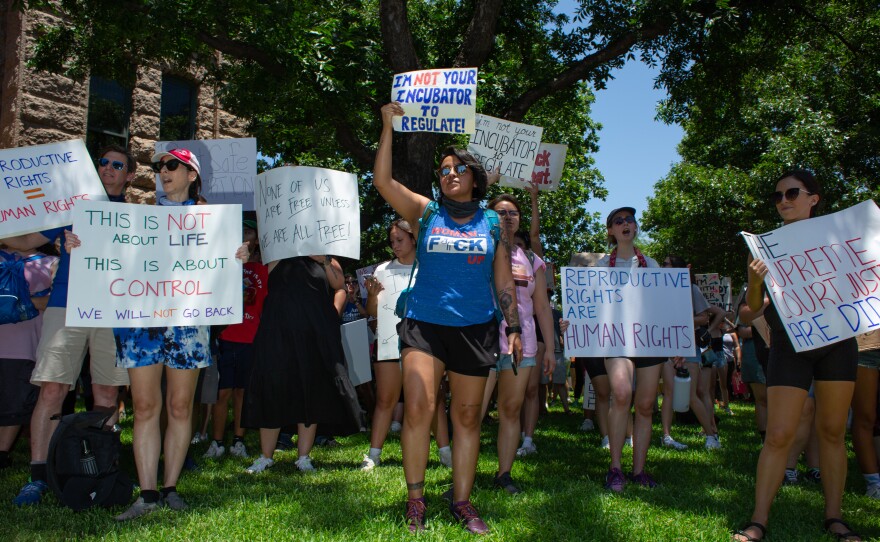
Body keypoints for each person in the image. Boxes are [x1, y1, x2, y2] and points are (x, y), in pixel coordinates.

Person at [70, 148, 248, 520]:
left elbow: (218, 271)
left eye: (172, 166)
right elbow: (109, 255)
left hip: (188, 322)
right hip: (140, 322)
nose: (163, 172)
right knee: (146, 406)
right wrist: (81, 244)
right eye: (158, 167)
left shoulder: (211, 223)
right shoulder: (137, 218)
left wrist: (238, 255)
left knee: (181, 406)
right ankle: (147, 493)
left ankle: (171, 488)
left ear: (191, 175)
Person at [374, 102, 522, 534]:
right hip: (424, 323)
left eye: (459, 167)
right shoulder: (426, 212)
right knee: (419, 406)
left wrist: (512, 327)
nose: (450, 173)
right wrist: (388, 128)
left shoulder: (493, 222)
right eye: (443, 169)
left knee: (469, 417)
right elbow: (382, 180)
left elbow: (503, 282)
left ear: (474, 177)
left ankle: (462, 501)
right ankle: (416, 500)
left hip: (476, 328)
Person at [733, 170, 861, 542]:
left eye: (792, 193)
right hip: (790, 347)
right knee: (778, 435)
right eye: (777, 197)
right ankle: (758, 521)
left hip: (838, 344)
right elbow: (748, 313)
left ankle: (835, 518)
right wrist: (755, 283)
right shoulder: (765, 246)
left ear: (813, 198)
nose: (784, 201)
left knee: (834, 433)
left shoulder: (841, 240)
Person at [4, 145, 133, 506]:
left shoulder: (137, 216)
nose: (107, 168)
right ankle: (38, 476)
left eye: (116, 165)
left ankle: (103, 467)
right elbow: (27, 240)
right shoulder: (72, 208)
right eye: (102, 163)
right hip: (66, 305)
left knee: (108, 395)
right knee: (52, 390)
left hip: (111, 311)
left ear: (128, 176)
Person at [360, 219, 452, 471]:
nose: (395, 246)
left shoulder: (429, 270)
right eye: (392, 242)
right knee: (385, 399)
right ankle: (373, 455)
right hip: (389, 343)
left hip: (425, 346)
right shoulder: (381, 271)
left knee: (432, 398)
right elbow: (372, 313)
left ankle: (446, 454)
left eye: (400, 240)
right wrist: (371, 295)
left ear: (414, 239)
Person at [479, 195, 555, 495]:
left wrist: (550, 347)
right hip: (482, 341)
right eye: (500, 212)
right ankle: (463, 477)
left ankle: (504, 474)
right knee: (473, 411)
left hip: (522, 345)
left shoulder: (534, 261)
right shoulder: (480, 249)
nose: (508, 217)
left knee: (510, 410)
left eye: (513, 212)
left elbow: (543, 308)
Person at [598, 207, 666, 492]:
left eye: (629, 220)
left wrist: (675, 340)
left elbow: (664, 305)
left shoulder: (651, 264)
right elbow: (590, 306)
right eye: (618, 221)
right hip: (615, 338)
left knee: (647, 404)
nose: (626, 224)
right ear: (611, 231)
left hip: (648, 338)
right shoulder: (601, 266)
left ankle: (638, 470)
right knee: (622, 393)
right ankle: (615, 468)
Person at [203, 219, 267, 460]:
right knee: (222, 393)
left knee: (242, 392)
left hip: (251, 339)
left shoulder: (264, 269)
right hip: (226, 336)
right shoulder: (222, 264)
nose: (244, 235)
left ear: (257, 239)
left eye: (249, 231)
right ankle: (217, 441)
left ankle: (238, 440)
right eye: (240, 231)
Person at [0, 243, 58, 469]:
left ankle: (2, 453)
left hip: (25, 347)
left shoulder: (52, 263)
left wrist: (16, 303)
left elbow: (56, 300)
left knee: (14, 403)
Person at [663, 255, 725, 450]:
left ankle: (711, 435)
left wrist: (681, 317)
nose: (663, 267)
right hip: (665, 346)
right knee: (669, 393)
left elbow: (703, 318)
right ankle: (666, 436)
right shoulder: (658, 290)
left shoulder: (692, 290)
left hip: (687, 346)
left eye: (666, 264)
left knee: (691, 394)